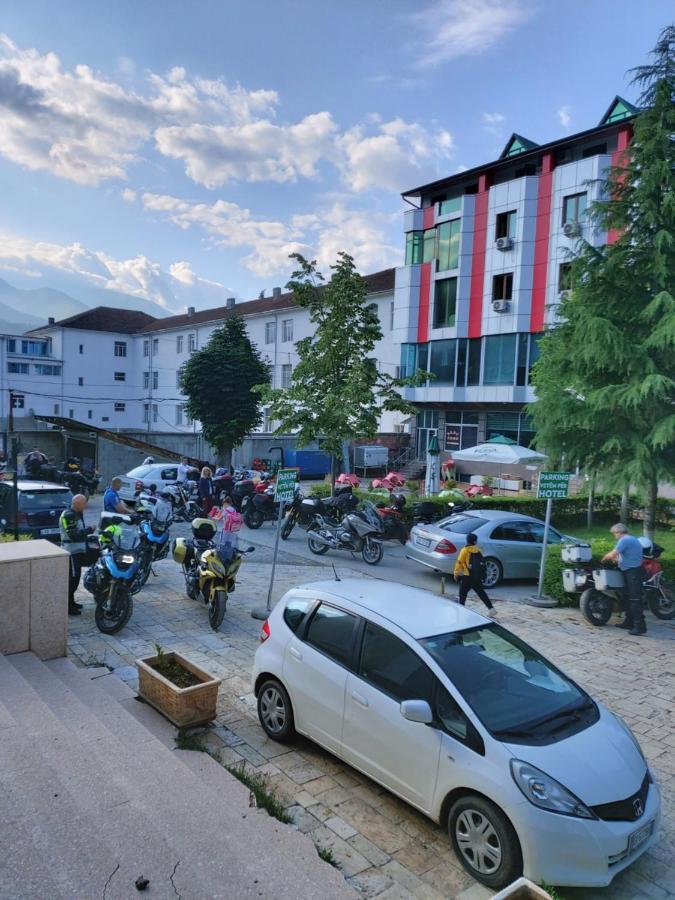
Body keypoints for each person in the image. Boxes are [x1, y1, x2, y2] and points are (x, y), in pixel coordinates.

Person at [601, 523, 646, 636]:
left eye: (614, 534)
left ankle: (640, 627)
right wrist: (618, 561)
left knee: (635, 599)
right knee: (627, 597)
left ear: (619, 532)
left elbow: (613, 554)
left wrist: (603, 559)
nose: (614, 536)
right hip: (631, 571)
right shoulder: (631, 539)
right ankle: (629, 622)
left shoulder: (625, 540)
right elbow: (623, 555)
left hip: (633, 572)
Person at [59, 494, 97, 616]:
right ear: (77, 503)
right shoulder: (69, 515)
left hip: (77, 552)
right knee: (72, 580)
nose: (85, 506)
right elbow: (73, 535)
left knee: (75, 579)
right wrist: (90, 530)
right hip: (71, 553)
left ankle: (72, 602)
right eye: (84, 503)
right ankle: (68, 607)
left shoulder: (76, 513)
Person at [453, 533, 496, 616]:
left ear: (467, 540)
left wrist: (456, 573)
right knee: (481, 593)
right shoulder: (478, 550)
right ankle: (491, 609)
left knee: (462, 593)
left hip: (467, 576)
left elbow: (459, 562)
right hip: (476, 576)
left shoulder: (464, 550)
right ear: (475, 542)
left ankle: (461, 610)